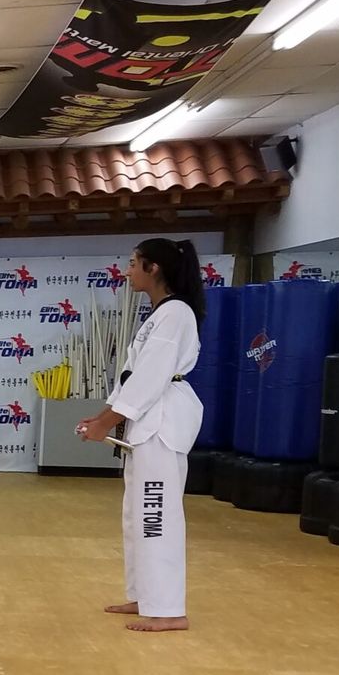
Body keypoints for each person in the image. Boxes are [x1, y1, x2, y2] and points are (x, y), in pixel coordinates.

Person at [77, 238, 207, 634]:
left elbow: (151, 378)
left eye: (134, 263)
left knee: (156, 515)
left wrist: (105, 423)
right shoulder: (159, 315)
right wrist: (101, 416)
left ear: (154, 268)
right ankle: (146, 595)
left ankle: (168, 608)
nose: (127, 270)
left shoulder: (177, 313)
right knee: (137, 516)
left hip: (162, 424)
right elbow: (132, 377)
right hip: (145, 423)